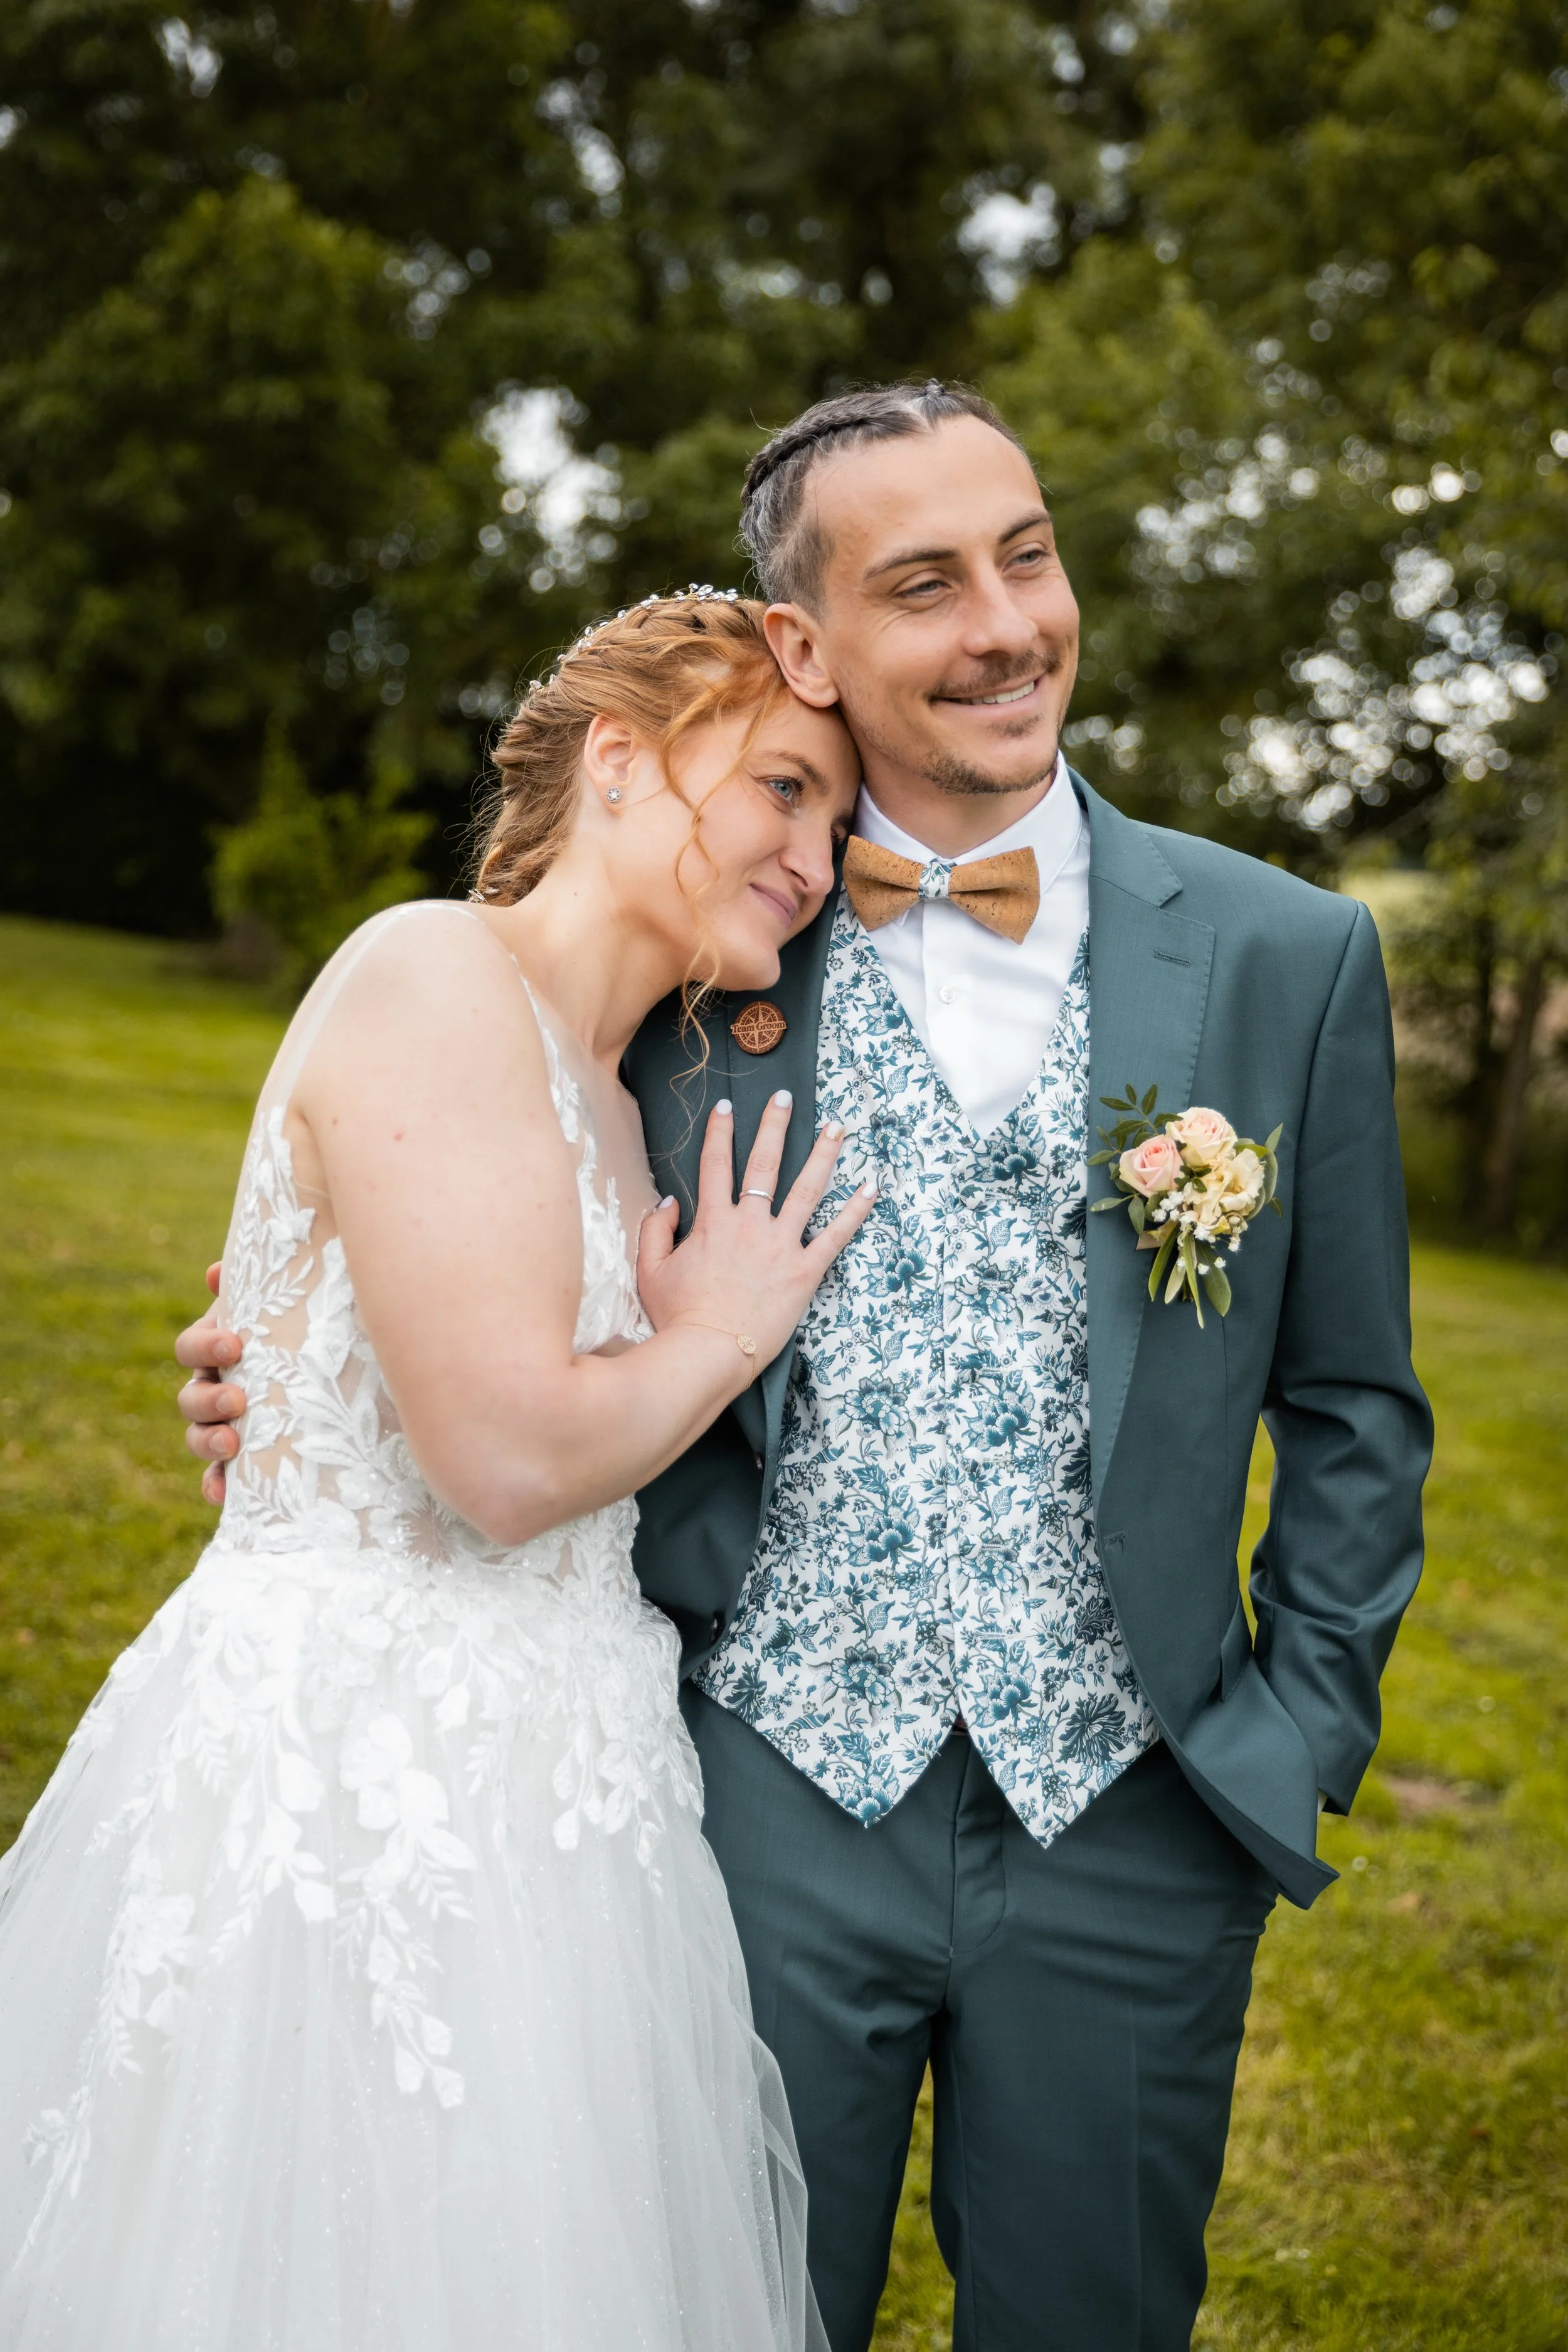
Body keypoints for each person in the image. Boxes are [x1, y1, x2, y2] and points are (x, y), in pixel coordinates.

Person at [178, 384, 1433, 2352]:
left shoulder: (1285, 956)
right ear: (802, 645)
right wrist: (288, 1380)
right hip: (750, 1798)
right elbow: (456, 1231)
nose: (1004, 623)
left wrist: (1296, 1727)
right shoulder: (701, 959)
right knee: (717, 2304)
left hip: (1134, 1814)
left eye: (1025, 553)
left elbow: (1353, 1399)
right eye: (924, 583)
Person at [0, 595, 877, 2350]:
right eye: (784, 789)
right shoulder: (431, 973)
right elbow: (498, 1457)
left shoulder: (625, 1099)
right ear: (620, 763)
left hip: (565, 1797)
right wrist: (720, 1326)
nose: (815, 858)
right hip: (349, 1779)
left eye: (840, 825)